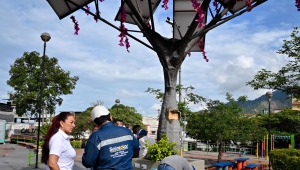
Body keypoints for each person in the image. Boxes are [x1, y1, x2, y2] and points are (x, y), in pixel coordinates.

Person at [82, 105, 139, 170]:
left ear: (95, 123)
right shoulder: (127, 131)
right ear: (110, 117)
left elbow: (88, 162)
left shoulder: (95, 137)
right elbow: (136, 150)